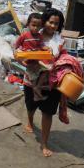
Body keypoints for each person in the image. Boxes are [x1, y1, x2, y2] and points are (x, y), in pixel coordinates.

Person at [17, 8, 65, 157]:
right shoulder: (31, 35)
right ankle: (30, 120)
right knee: (30, 106)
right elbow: (18, 52)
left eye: (56, 24)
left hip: (51, 82)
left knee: (48, 112)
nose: (53, 26)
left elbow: (62, 56)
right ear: (44, 21)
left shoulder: (59, 40)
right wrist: (23, 61)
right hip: (32, 79)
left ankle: (44, 143)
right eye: (51, 22)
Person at [14, 13, 49, 100]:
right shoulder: (24, 35)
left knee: (46, 71)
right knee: (33, 78)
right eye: (33, 25)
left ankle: (37, 88)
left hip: (36, 61)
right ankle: (36, 91)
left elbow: (42, 46)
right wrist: (17, 52)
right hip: (28, 62)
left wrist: (47, 48)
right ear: (28, 24)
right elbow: (16, 45)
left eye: (38, 26)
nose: (36, 28)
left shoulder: (39, 36)